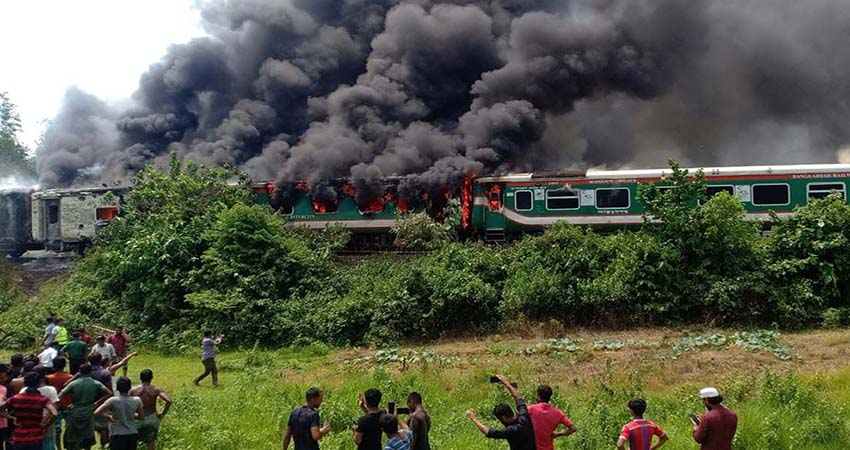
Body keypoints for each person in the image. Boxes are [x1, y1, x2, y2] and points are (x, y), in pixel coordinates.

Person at [466, 375, 536, 450]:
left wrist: (473, 418)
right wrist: (506, 383)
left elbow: (489, 432)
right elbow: (518, 398)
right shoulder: (524, 416)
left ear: (503, 418)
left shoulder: (511, 430)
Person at [59, 364, 111, 450]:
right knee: (88, 435)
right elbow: (109, 393)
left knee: (73, 434)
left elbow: (60, 395)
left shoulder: (74, 383)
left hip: (75, 411)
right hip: (89, 410)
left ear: (80, 372)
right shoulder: (95, 383)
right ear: (90, 372)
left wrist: (66, 406)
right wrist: (96, 403)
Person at [3, 372, 58, 450]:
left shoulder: (15, 398)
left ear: (24, 383)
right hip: (36, 436)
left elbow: (1, 409)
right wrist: (45, 425)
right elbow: (54, 413)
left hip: (19, 436)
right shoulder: (42, 399)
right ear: (39, 383)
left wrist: (12, 418)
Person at [93, 377, 143, 450]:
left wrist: (108, 416)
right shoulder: (137, 400)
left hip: (117, 434)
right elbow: (141, 417)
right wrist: (131, 415)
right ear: (129, 387)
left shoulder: (113, 400)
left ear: (117, 388)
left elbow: (96, 412)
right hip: (132, 433)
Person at [129, 369, 172, 450]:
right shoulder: (156, 389)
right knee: (150, 442)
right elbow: (169, 401)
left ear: (140, 378)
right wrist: (163, 414)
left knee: (133, 441)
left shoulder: (133, 390)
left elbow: (125, 401)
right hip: (152, 419)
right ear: (152, 378)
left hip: (137, 418)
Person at [528, 385, 576, 450]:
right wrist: (558, 434)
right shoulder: (558, 413)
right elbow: (573, 428)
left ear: (539, 397)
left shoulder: (531, 409)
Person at [47, 358, 74, 450]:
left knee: (57, 431)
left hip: (56, 407)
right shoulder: (70, 377)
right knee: (69, 429)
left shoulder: (49, 378)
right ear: (64, 366)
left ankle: (59, 448)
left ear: (54, 366)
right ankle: (69, 447)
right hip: (68, 405)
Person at [34, 367, 61, 450]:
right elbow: (55, 408)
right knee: (48, 444)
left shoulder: (25, 390)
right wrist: (45, 424)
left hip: (32, 421)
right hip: (48, 420)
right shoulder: (51, 390)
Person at [0, 364, 10, 450]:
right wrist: (11, 417)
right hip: (2, 424)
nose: (3, 380)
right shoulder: (3, 389)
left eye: (4, 377)